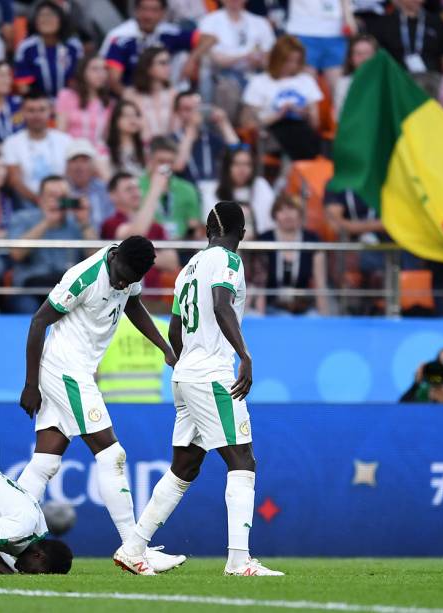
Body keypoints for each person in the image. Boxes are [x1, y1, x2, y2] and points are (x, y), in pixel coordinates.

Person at [112, 202, 281, 577]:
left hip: (186, 374)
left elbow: (175, 328)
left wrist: (183, 360)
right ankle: (239, 561)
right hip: (212, 375)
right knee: (243, 461)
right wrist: (245, 355)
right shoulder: (229, 261)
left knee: (184, 466)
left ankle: (133, 547)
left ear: (207, 231)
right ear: (243, 232)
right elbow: (222, 305)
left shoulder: (188, 267)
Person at [16, 235, 185, 574]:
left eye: (131, 280)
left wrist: (164, 346)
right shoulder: (84, 277)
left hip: (76, 371)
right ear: (115, 256)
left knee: (45, 462)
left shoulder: (129, 272)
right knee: (111, 454)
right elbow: (38, 322)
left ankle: (6, 540)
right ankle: (134, 548)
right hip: (65, 370)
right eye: (121, 276)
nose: (124, 283)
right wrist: (30, 384)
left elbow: (133, 306)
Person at [7, 175, 96, 313]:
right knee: (26, 307)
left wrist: (84, 223)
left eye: (63, 196)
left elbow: (95, 258)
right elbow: (16, 254)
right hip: (31, 288)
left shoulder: (78, 223)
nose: (59, 201)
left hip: (69, 290)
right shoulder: (22, 218)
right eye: (53, 196)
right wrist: (46, 222)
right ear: (40, 199)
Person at [102, 0, 216, 95]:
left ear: (163, 13)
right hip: (130, 96)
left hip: (164, 94)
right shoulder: (121, 36)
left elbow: (210, 38)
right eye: (144, 9)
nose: (148, 15)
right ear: (135, 11)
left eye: (154, 10)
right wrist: (132, 99)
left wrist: (192, 59)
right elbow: (112, 80)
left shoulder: (168, 32)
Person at [242, 35, 323, 161]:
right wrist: (278, 115)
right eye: (288, 61)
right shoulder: (259, 82)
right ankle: (290, 172)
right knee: (287, 136)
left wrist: (305, 113)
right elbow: (248, 123)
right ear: (277, 59)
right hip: (271, 130)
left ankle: (293, 172)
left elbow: (315, 123)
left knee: (301, 134)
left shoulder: (306, 80)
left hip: (302, 129)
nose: (293, 66)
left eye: (297, 61)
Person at [197, 0, 275, 120]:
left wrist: (260, 60)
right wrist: (247, 55)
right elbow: (218, 59)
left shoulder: (260, 23)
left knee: (264, 85)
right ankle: (226, 131)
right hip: (221, 75)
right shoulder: (209, 21)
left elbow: (270, 59)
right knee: (228, 87)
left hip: (254, 74)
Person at [101, 170, 180, 287]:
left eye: (137, 188)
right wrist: (155, 191)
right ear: (113, 195)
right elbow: (136, 234)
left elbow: (172, 262)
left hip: (154, 298)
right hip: (123, 297)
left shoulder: (155, 226)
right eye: (128, 189)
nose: (135, 192)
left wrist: (137, 256)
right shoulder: (110, 223)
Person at [255, 194, 329, 316]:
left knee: (314, 319)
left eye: (292, 209)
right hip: (272, 307)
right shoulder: (264, 240)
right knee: (284, 318)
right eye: (281, 210)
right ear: (274, 215)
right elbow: (259, 283)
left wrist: (325, 318)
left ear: (300, 214)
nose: (287, 214)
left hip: (304, 307)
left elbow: (320, 283)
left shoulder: (312, 240)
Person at [367, 0, 443, 97]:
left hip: (431, 82)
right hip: (397, 82)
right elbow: (377, 60)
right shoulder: (385, 23)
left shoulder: (436, 22)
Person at [2, 90, 73, 205]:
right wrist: (39, 201)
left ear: (50, 111)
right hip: (28, 203)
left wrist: (60, 202)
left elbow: (72, 176)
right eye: (31, 110)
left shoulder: (65, 140)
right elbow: (14, 180)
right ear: (22, 112)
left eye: (42, 110)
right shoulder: (11, 143)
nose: (37, 115)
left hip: (64, 202)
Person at [13, 1, 82, 98]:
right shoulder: (26, 48)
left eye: (51, 16)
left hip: (69, 102)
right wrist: (42, 104)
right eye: (42, 16)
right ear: (35, 21)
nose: (46, 20)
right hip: (37, 105)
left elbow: (79, 79)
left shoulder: (73, 46)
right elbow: (23, 85)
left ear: (61, 19)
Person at [171, 90, 240, 186]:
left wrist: (224, 123)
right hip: (186, 190)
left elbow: (237, 154)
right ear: (177, 112)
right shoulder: (171, 139)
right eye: (187, 109)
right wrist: (191, 131)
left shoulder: (209, 137)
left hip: (212, 189)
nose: (193, 114)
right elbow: (178, 166)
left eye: (196, 109)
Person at [139, 136, 202, 239]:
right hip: (146, 243)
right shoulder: (136, 186)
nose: (166, 167)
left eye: (170, 162)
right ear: (149, 159)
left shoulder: (187, 189)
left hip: (180, 248)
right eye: (161, 161)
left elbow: (194, 225)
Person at [285, 0, 355, 91]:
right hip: (303, 30)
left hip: (335, 32)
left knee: (340, 91)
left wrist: (349, 17)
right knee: (305, 88)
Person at [55, 55, 112, 158]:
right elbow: (60, 133)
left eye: (104, 69)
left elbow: (106, 138)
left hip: (97, 155)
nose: (101, 74)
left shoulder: (107, 103)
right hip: (71, 153)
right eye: (95, 69)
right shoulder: (66, 96)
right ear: (83, 72)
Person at [215, 145, 274, 235]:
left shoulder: (260, 185)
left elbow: (269, 222)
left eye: (247, 164)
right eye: (236, 164)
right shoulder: (214, 189)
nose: (242, 169)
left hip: (258, 244)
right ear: (227, 167)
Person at [124, 46, 177, 142]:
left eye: (168, 62)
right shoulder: (131, 94)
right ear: (148, 66)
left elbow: (176, 128)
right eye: (162, 63)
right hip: (142, 149)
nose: (167, 67)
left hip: (170, 150)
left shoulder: (173, 93)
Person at [65, 139, 111, 231]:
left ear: (93, 165)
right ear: (67, 165)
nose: (79, 166)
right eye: (74, 161)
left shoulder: (104, 190)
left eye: (84, 160)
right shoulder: (61, 190)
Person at [334, 34, 377, 120]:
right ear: (350, 58)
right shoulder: (343, 83)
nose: (364, 58)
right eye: (358, 54)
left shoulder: (387, 81)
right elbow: (341, 116)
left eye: (367, 53)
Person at [105, 100, 146, 177]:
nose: (133, 119)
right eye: (127, 115)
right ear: (116, 120)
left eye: (136, 115)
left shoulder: (146, 148)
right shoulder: (106, 149)